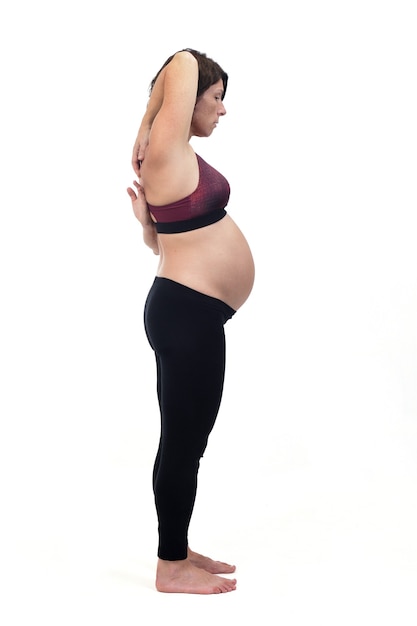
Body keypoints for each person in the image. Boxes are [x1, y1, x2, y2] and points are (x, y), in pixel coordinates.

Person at [126, 48, 255, 594]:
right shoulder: (163, 149)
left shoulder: (174, 161)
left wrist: (145, 224)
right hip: (187, 316)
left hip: (187, 311)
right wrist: (146, 121)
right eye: (216, 97)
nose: (222, 110)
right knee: (183, 442)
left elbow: (162, 242)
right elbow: (180, 60)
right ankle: (170, 568)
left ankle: (175, 548)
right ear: (189, 98)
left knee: (184, 441)